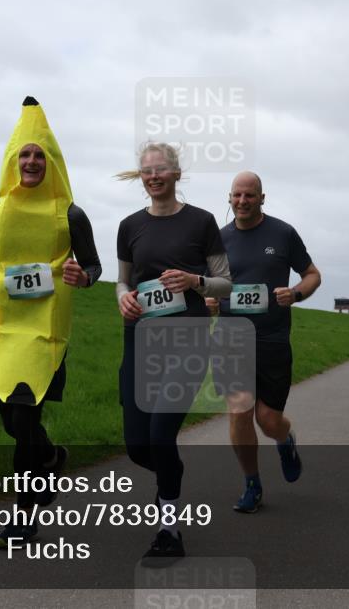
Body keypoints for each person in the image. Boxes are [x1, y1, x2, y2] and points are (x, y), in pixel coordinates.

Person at [0, 96, 101, 547]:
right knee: (11, 419)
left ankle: (23, 517)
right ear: (11, 161)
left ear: (53, 164)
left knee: (24, 418)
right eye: (23, 154)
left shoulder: (71, 214)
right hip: (0, 330)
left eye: (38, 155)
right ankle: (50, 457)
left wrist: (82, 276)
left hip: (44, 333)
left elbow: (95, 268)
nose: (30, 161)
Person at [116, 143, 232, 564]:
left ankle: (169, 528)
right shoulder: (129, 226)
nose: (153, 176)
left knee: (162, 435)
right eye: (146, 170)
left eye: (160, 169)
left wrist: (194, 280)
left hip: (187, 340)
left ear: (176, 174)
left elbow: (225, 283)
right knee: (137, 445)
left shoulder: (200, 222)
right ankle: (172, 474)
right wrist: (123, 297)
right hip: (139, 341)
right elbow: (122, 282)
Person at [204, 172, 321, 514]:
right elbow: (207, 285)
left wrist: (296, 293)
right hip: (229, 337)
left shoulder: (282, 233)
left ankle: (285, 440)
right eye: (237, 195)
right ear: (229, 198)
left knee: (268, 420)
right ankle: (251, 483)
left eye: (249, 195)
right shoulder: (218, 240)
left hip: (271, 339)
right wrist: (208, 302)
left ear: (262, 198)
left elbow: (313, 274)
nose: (242, 201)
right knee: (239, 409)